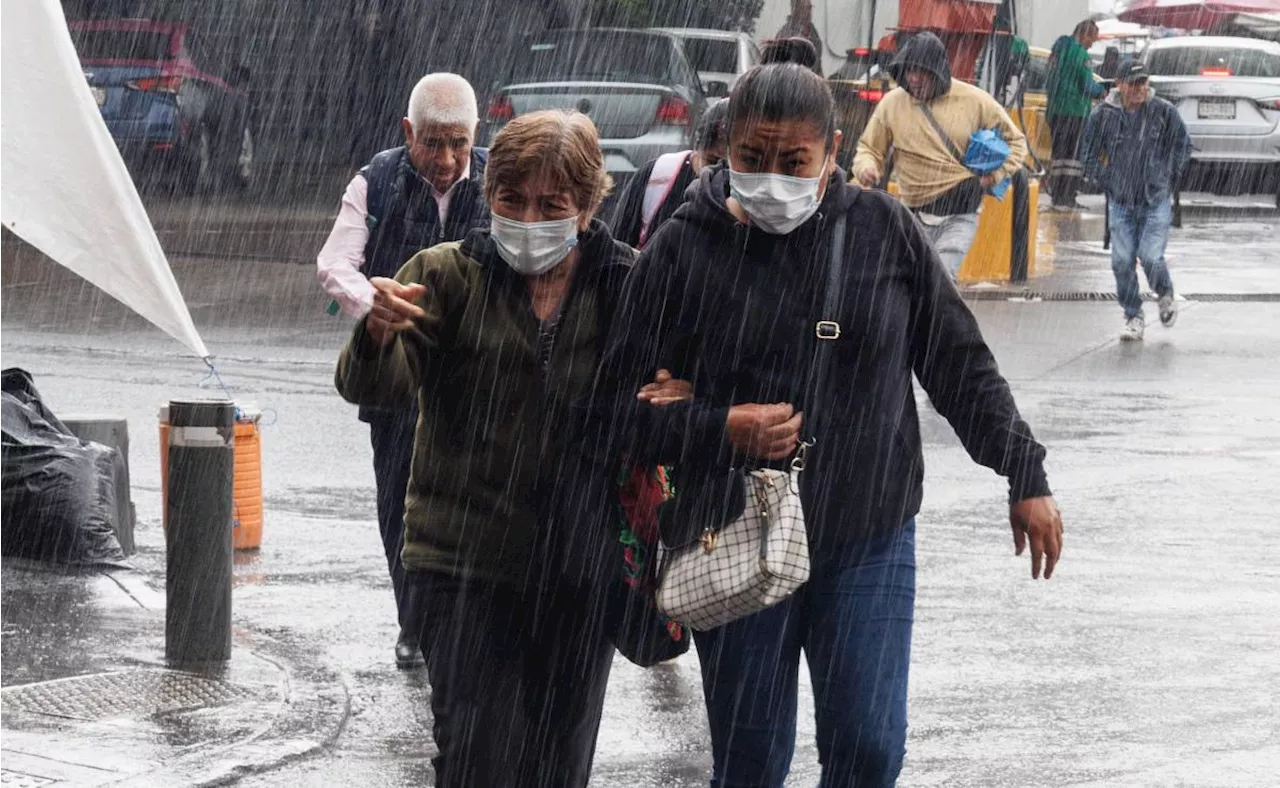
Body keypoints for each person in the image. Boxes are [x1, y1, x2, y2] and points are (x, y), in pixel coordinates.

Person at [590, 57, 1063, 786]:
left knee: (870, 747)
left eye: (794, 160)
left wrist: (1023, 472)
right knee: (750, 760)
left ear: (832, 153)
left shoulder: (884, 232)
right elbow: (614, 413)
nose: (771, 175)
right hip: (731, 528)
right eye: (752, 158)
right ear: (726, 149)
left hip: (868, 532)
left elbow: (959, 365)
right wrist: (719, 427)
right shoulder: (682, 248)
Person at [334, 110, 689, 786]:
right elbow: (374, 389)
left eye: (551, 205)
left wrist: (679, 394)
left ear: (587, 207)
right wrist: (378, 333)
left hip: (580, 568)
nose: (529, 217)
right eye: (511, 199)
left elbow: (668, 394)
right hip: (461, 563)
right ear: (488, 196)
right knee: (477, 762)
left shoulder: (628, 285)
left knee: (558, 767)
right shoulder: (444, 276)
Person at [316, 72, 491, 669]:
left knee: (473, 498)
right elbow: (335, 265)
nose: (446, 160)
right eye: (433, 143)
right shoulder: (376, 182)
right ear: (408, 132)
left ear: (476, 136)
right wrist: (375, 304)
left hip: (475, 375)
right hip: (395, 373)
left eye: (459, 144)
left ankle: (462, 620)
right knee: (399, 503)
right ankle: (412, 624)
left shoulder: (498, 181)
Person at [853, 33, 1029, 280]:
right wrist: (866, 168)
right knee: (908, 286)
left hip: (959, 214)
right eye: (909, 70)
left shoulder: (974, 100)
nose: (914, 78)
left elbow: (1017, 142)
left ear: (938, 71)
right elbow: (869, 148)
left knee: (940, 282)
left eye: (921, 71)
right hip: (912, 216)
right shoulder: (892, 104)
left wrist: (994, 177)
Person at [1081, 60, 1191, 342]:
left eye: (1144, 83)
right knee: (1121, 261)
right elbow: (1089, 154)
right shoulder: (1102, 115)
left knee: (1151, 256)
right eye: (1133, 83)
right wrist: (1105, 180)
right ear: (1119, 85)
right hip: (1120, 202)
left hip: (1155, 199)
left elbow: (1182, 145)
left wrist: (1167, 176)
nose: (1140, 89)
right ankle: (1133, 315)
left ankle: (1165, 294)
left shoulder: (1163, 112)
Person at [609, 99, 729, 249]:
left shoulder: (751, 199)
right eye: (712, 162)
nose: (719, 174)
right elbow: (616, 252)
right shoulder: (657, 176)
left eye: (729, 168)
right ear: (696, 148)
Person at [1046, 21, 1105, 210]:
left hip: (1055, 111)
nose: (1091, 45)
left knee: (1059, 155)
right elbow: (1087, 85)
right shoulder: (1080, 54)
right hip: (1075, 111)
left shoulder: (1058, 51)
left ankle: (1057, 196)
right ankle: (1068, 196)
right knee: (1073, 157)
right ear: (1085, 35)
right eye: (1092, 40)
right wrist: (1102, 91)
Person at [776, 0, 824, 72]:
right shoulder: (785, 35)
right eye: (805, 8)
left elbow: (817, 67)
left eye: (810, 8)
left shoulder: (814, 34)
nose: (809, 12)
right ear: (795, 9)